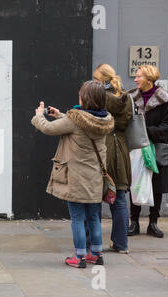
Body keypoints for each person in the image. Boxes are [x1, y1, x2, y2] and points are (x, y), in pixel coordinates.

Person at [31, 81, 114, 268]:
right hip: (95, 178)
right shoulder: (105, 119)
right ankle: (96, 254)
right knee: (93, 217)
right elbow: (81, 126)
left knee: (77, 218)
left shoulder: (75, 120)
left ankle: (79, 257)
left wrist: (38, 116)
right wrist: (60, 115)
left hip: (76, 178)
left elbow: (49, 129)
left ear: (85, 98)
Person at [127, 65, 168, 238]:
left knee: (157, 185)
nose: (135, 79)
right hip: (137, 147)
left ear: (149, 78)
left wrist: (145, 131)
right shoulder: (130, 98)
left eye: (139, 76)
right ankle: (134, 222)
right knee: (136, 183)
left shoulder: (165, 100)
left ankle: (153, 223)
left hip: (157, 147)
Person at [93, 64, 132, 253]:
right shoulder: (127, 98)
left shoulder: (100, 97)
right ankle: (121, 244)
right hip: (121, 149)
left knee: (93, 198)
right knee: (120, 198)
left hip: (102, 148)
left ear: (101, 79)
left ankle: (93, 244)